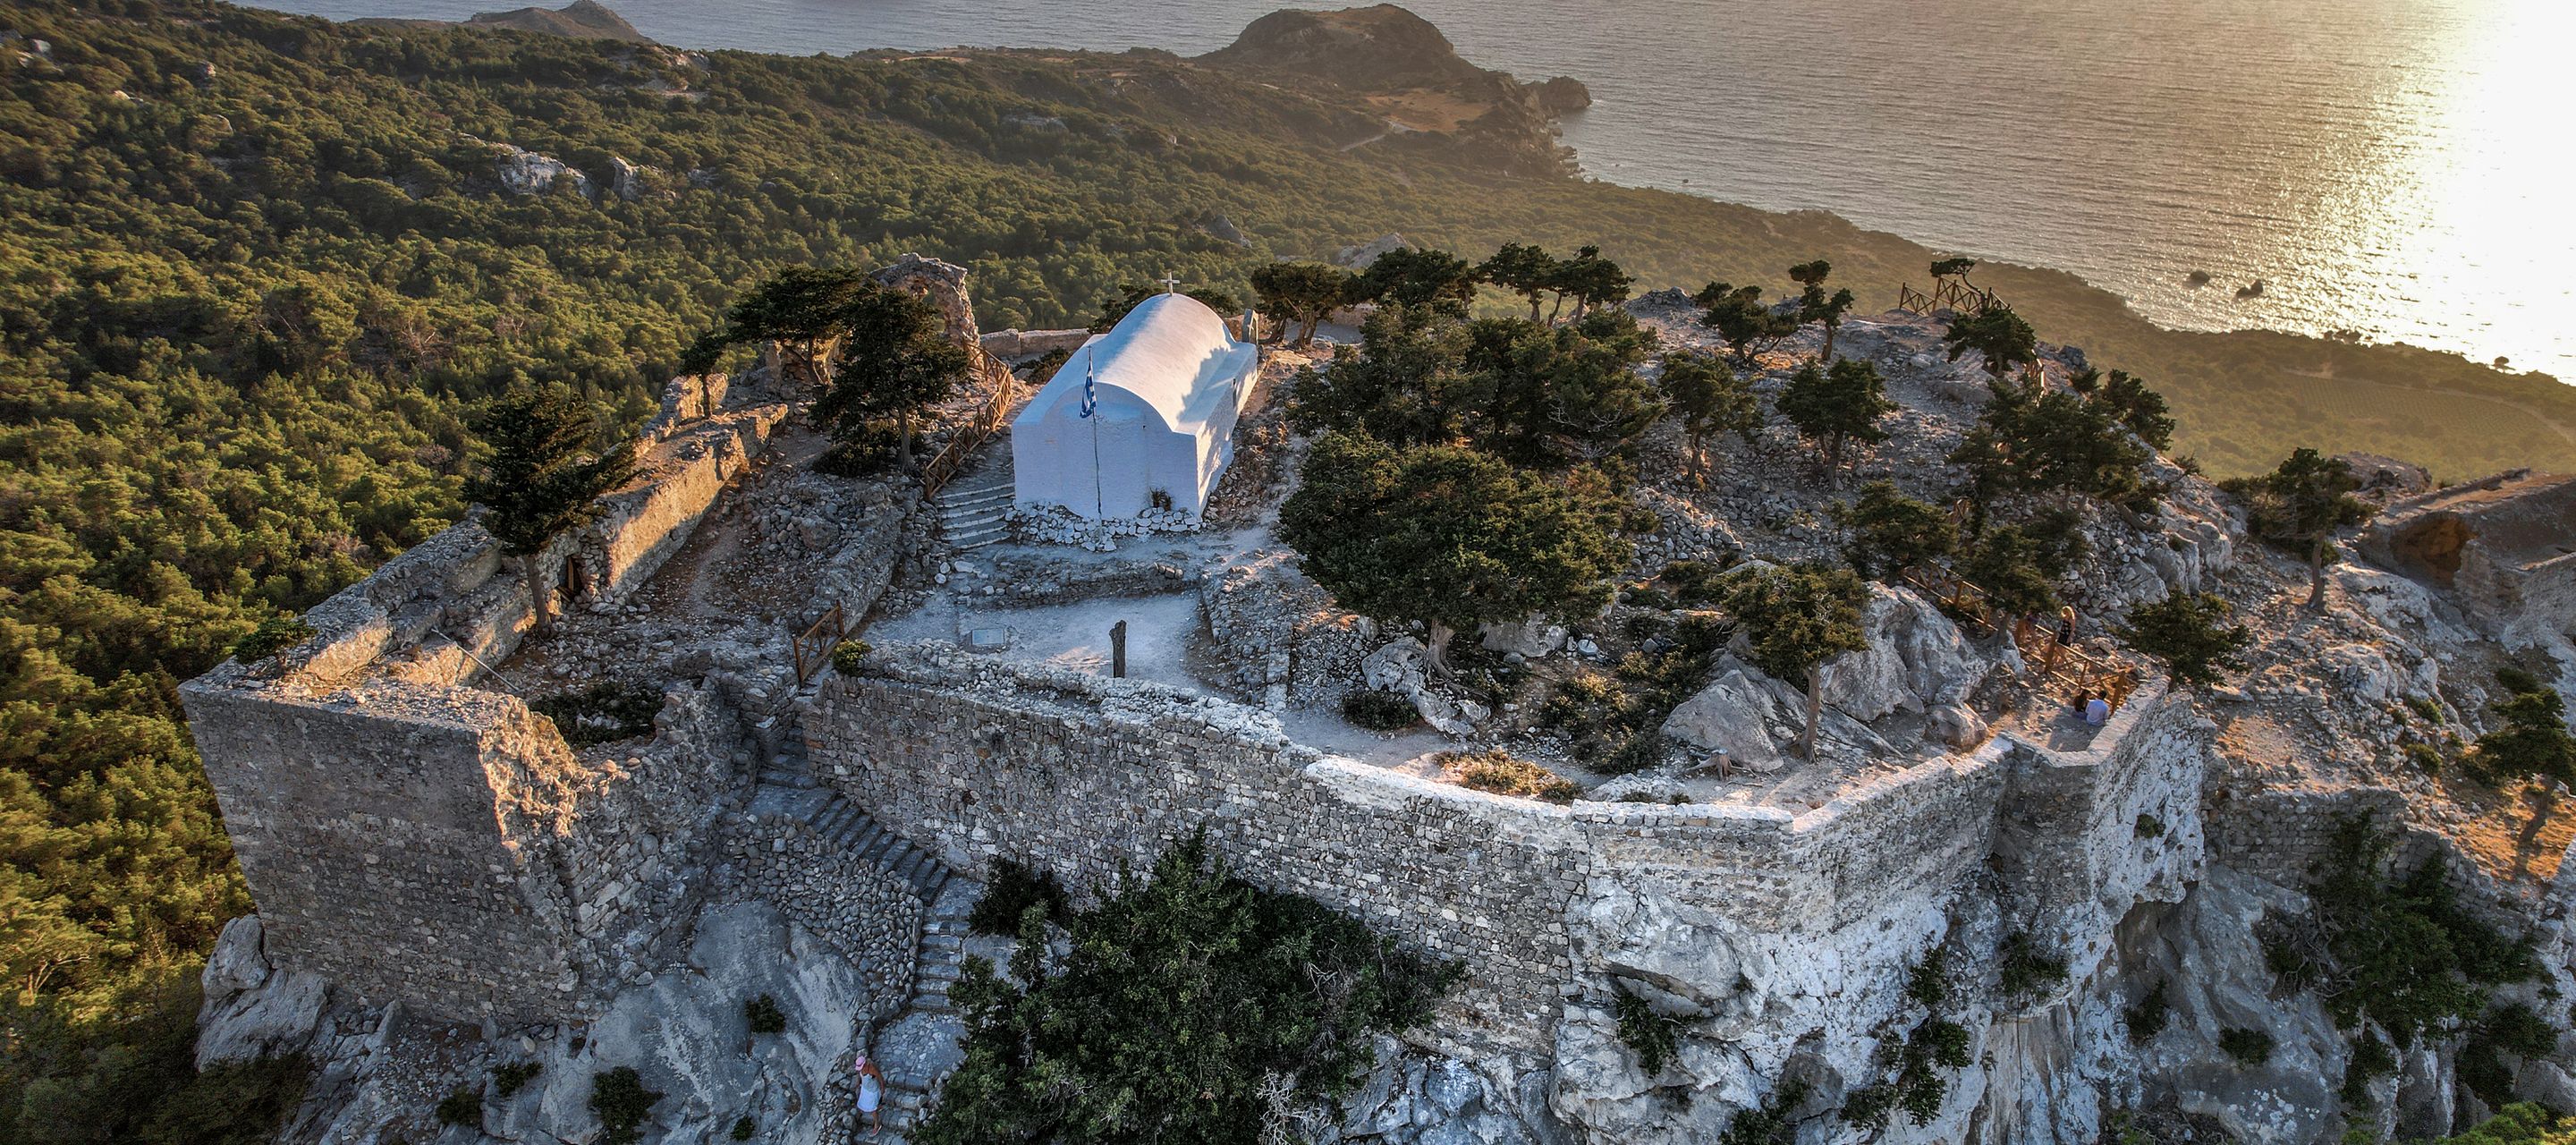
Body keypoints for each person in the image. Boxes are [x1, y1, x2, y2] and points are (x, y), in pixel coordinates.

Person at [855, 1049, 886, 1137]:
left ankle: (877, 1125)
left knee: (872, 1109)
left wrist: (882, 1088)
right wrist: (858, 1083)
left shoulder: (871, 1069)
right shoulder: (861, 1070)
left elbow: (880, 1077)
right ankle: (878, 1106)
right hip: (865, 1089)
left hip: (873, 1091)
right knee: (867, 1105)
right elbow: (859, 1076)